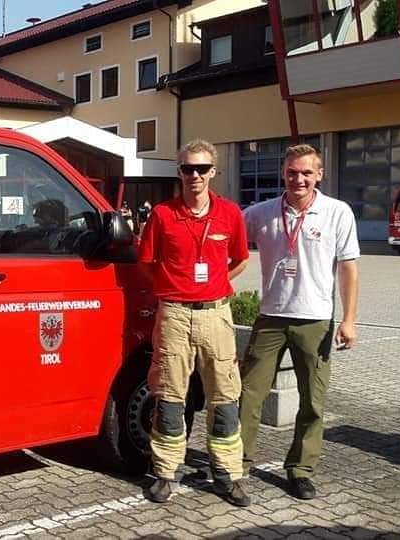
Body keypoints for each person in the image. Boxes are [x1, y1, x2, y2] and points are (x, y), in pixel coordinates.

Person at [239, 144, 359, 500]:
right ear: (283, 173)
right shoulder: (260, 213)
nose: (299, 179)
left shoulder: (338, 213)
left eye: (307, 172)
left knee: (313, 402)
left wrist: (349, 320)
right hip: (271, 317)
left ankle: (301, 470)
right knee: (249, 394)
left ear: (319, 174)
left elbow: (349, 269)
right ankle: (237, 463)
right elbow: (227, 243)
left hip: (315, 320)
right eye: (292, 172)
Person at [138, 139, 251, 506]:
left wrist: (216, 285)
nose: (195, 175)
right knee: (169, 396)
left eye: (202, 168)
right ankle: (164, 472)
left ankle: (226, 474)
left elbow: (240, 259)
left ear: (213, 172)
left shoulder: (230, 213)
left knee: (225, 395)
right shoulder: (162, 214)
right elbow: (148, 262)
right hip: (174, 315)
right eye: (188, 168)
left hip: (216, 314)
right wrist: (174, 289)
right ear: (180, 172)